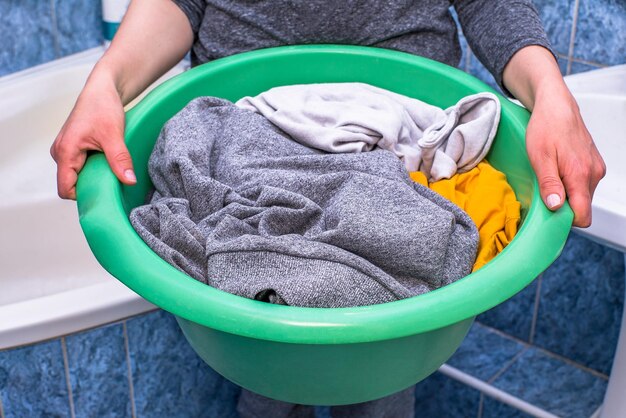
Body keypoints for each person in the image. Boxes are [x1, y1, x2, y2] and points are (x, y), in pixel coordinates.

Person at [49, 0, 606, 416]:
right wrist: (109, 81)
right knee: (267, 386)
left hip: (404, 159)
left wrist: (550, 91)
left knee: (381, 391)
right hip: (238, 140)